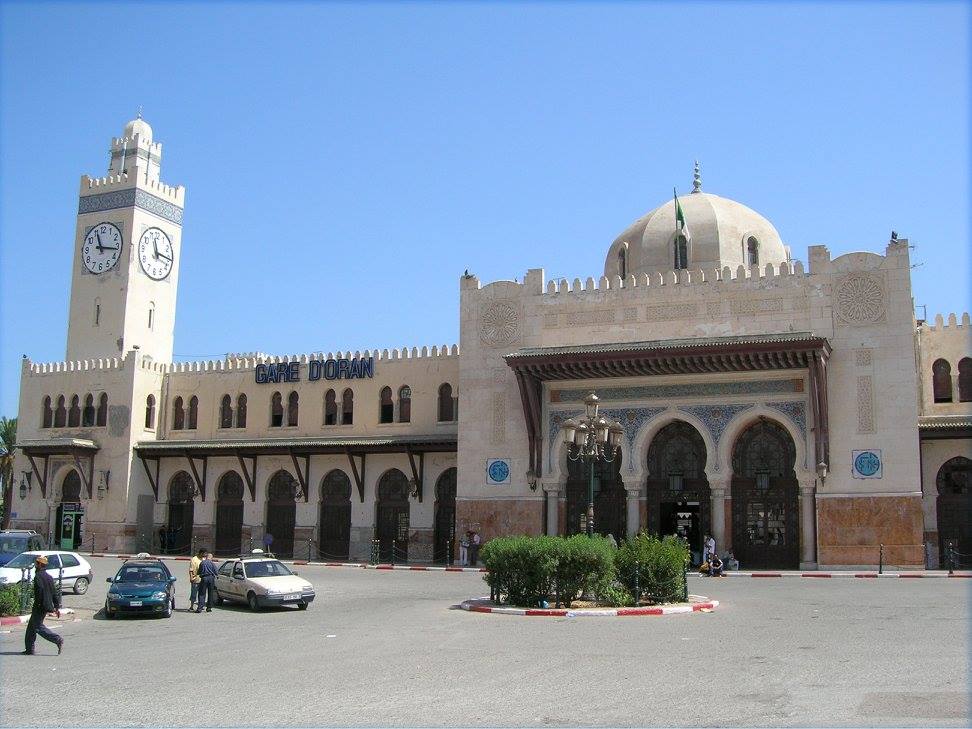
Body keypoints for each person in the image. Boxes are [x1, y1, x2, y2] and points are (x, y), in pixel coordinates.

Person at [24, 555, 63, 656]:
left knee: (38, 627)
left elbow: (39, 592)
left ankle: (57, 639)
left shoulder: (38, 577)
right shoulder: (49, 577)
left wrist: (38, 605)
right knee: (31, 628)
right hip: (45, 606)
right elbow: (55, 593)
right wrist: (57, 607)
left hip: (40, 606)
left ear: (40, 564)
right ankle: (29, 649)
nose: (35, 565)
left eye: (37, 563)